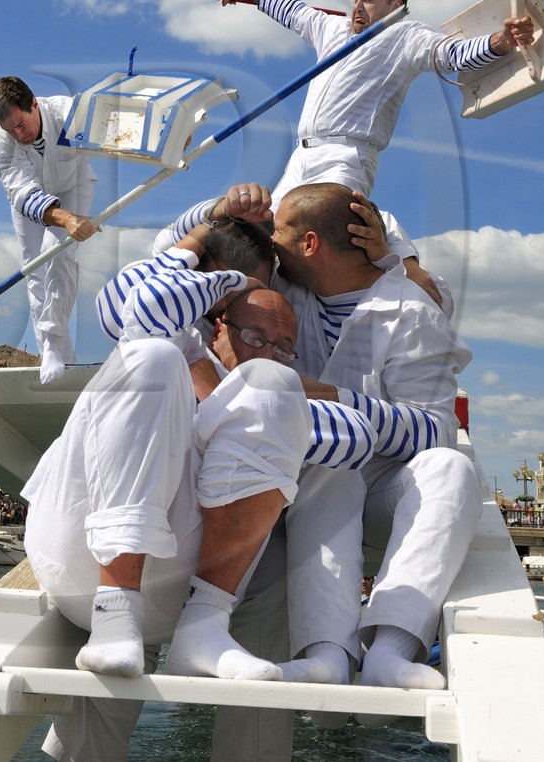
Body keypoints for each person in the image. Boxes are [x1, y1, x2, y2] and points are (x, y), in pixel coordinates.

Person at [23, 246, 374, 760]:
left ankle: (201, 625)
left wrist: (258, 403)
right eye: (255, 336)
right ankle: (115, 607)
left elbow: (361, 439)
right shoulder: (165, 346)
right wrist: (222, 270)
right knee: (152, 356)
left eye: (284, 347)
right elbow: (136, 308)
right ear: (216, 327)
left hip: (179, 591)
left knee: (268, 391)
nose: (269, 354)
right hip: (82, 553)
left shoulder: (269, 395)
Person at [184, 181, 474, 742]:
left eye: (282, 229)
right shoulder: (282, 292)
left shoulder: (413, 314)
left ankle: (389, 652)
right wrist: (216, 209)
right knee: (331, 469)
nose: (271, 235)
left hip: (384, 494)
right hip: (303, 486)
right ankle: (327, 656)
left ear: (311, 243)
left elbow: (435, 428)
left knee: (454, 468)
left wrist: (332, 398)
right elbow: (182, 245)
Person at [216, 0, 533, 203]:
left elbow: (453, 55)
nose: (357, 6)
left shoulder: (408, 36)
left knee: (323, 232)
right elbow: (293, 10)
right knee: (270, 231)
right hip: (301, 155)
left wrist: (501, 41)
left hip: (347, 156)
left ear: (395, 6)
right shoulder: (330, 27)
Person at [0, 76, 98, 384]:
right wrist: (65, 219)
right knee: (35, 270)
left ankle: (53, 335)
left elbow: (119, 128)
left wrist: (168, 143)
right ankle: (54, 351)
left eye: (21, 124)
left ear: (34, 103)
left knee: (58, 253)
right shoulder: (2, 144)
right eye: (10, 129)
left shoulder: (70, 113)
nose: (18, 135)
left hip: (74, 184)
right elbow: (23, 193)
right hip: (30, 200)